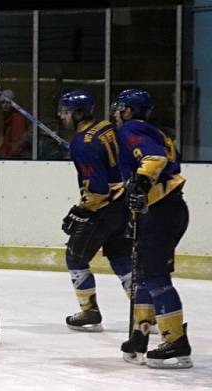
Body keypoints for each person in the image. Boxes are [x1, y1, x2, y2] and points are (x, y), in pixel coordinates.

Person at [113, 89, 192, 369]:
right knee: (144, 276)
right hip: (161, 211)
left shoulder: (132, 129)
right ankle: (141, 334)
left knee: (155, 277)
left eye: (120, 108)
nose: (116, 113)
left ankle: (176, 341)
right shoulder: (154, 130)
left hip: (160, 212)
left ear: (129, 111)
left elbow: (154, 160)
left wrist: (141, 184)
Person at [57, 91, 133, 332]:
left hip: (104, 206)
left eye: (66, 111)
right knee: (120, 256)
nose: (61, 116)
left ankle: (89, 311)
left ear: (79, 114)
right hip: (124, 201)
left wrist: (81, 209)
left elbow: (98, 189)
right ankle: (146, 312)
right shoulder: (105, 127)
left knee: (75, 256)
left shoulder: (83, 144)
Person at [0, 89, 30, 158]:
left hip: (15, 157)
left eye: (8, 102)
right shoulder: (8, 116)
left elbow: (17, 143)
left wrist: (7, 156)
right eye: (3, 102)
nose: (5, 105)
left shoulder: (18, 117)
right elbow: (7, 141)